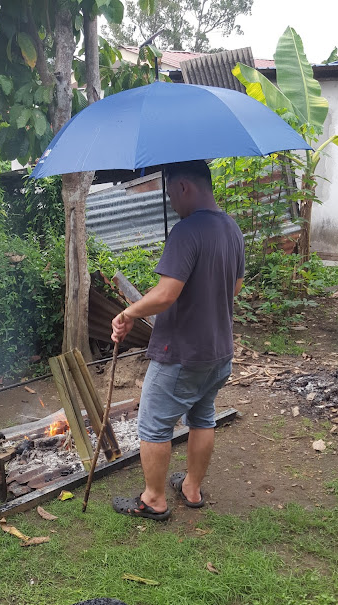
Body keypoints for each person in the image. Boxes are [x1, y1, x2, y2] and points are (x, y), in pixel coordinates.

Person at [110, 160, 244, 521]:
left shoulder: (186, 232)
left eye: (170, 191)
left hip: (182, 353)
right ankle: (191, 487)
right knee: (203, 418)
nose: (170, 200)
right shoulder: (232, 229)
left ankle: (153, 499)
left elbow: (166, 293)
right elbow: (234, 287)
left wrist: (128, 313)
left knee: (153, 425)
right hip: (219, 351)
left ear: (184, 186)